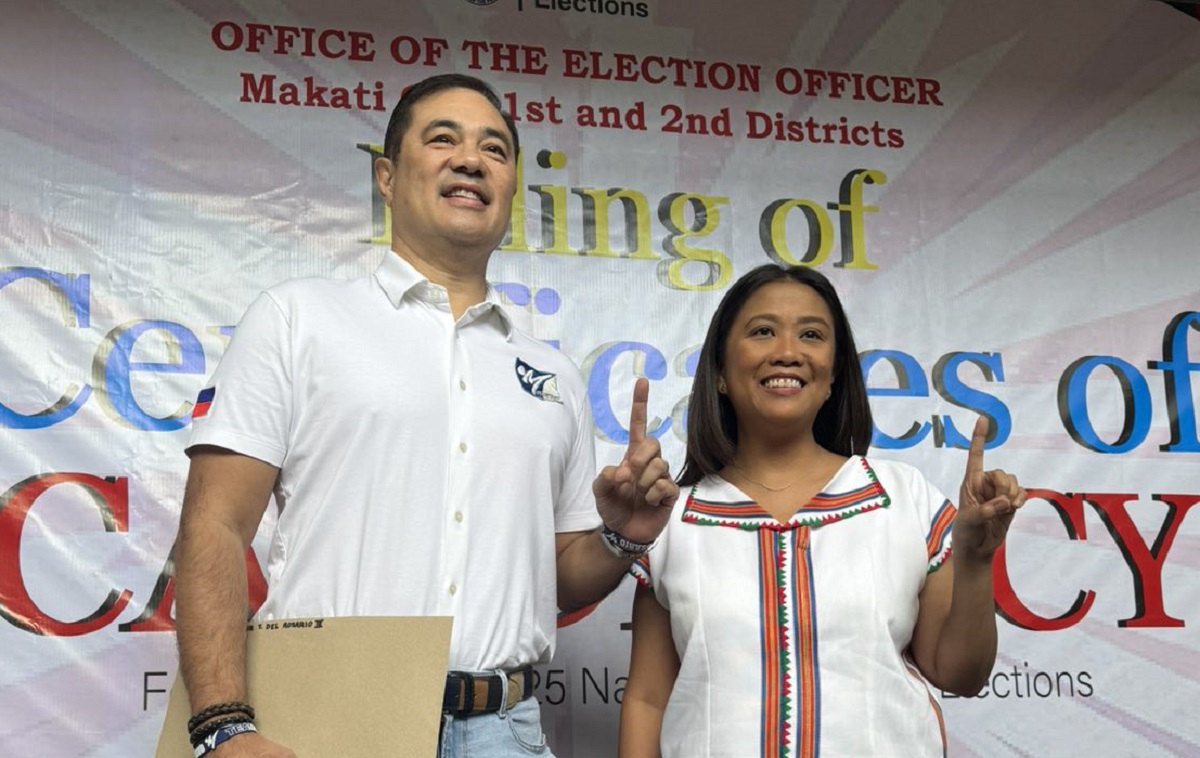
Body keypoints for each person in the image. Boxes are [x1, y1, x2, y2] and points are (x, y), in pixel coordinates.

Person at [173, 73, 678, 758]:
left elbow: (559, 578)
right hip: (331, 716)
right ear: (387, 176)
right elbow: (216, 524)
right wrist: (221, 726)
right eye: (443, 139)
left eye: (495, 150)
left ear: (509, 191)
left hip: (508, 729)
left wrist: (620, 536)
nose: (471, 160)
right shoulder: (299, 319)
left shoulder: (553, 376)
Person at [618, 264, 1025, 757]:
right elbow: (647, 700)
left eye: (811, 334)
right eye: (763, 331)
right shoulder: (673, 518)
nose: (787, 352)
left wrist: (977, 563)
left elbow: (960, 675)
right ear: (721, 372)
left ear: (833, 375)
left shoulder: (903, 497)